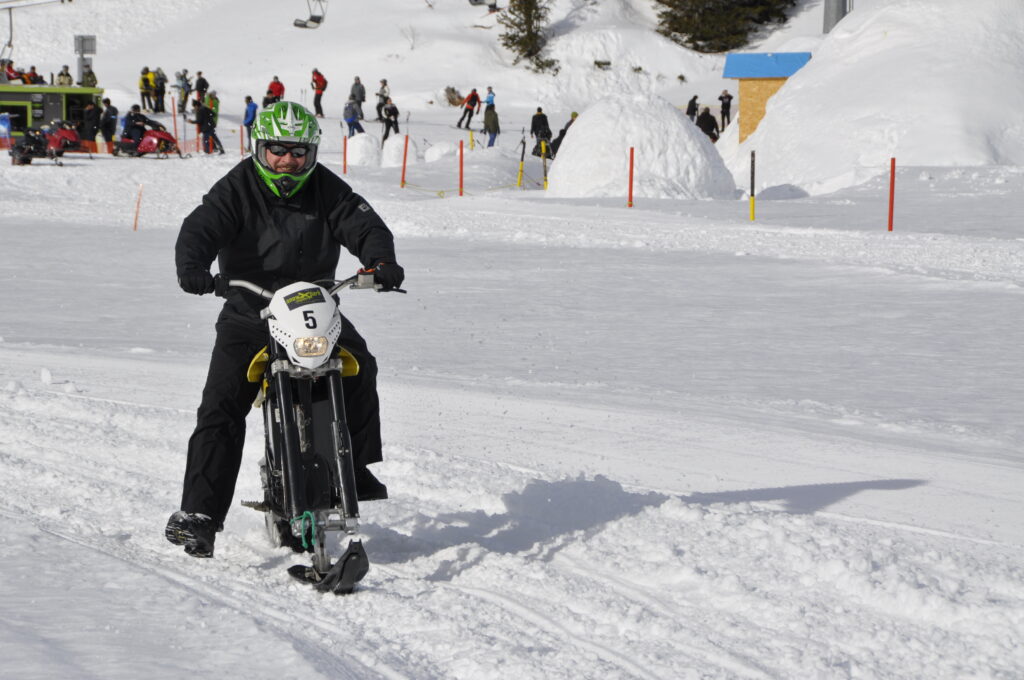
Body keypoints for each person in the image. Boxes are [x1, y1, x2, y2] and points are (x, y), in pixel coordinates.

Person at [165, 101, 404, 559]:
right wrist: (193, 266)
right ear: (261, 148)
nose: (287, 161)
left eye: (298, 152)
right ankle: (199, 516)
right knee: (221, 406)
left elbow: (363, 222)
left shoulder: (326, 188)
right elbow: (200, 226)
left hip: (312, 304)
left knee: (361, 365)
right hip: (249, 308)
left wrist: (381, 261)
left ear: (311, 153)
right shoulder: (237, 187)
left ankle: (353, 466)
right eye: (278, 150)